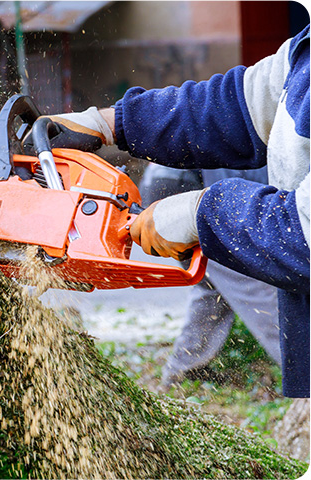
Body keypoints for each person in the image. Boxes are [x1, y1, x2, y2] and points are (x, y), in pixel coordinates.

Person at [45, 25, 309, 398]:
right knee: (228, 285)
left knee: (242, 286)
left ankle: (198, 370)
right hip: (190, 186)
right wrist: (112, 122)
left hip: (226, 202)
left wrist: (200, 216)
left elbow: (303, 236)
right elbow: (236, 104)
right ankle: (185, 372)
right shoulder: (304, 53)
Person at [139, 164, 282, 387]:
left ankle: (183, 370)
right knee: (253, 285)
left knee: (211, 286)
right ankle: (303, 368)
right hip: (183, 193)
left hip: (168, 187)